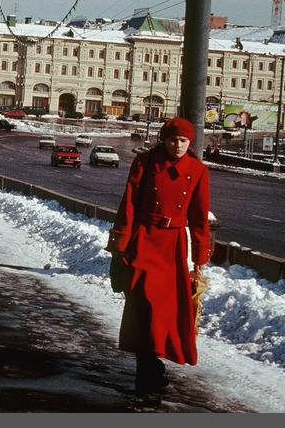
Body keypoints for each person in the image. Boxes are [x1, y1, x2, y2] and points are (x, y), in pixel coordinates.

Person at [106, 117, 211, 396]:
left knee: (163, 312)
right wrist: (121, 242)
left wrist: (200, 254)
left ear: (191, 143)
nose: (178, 146)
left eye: (184, 141)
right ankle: (147, 371)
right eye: (173, 140)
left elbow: (199, 218)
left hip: (173, 246)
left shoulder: (198, 170)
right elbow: (128, 202)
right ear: (165, 140)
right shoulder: (146, 162)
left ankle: (152, 366)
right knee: (142, 305)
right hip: (143, 240)